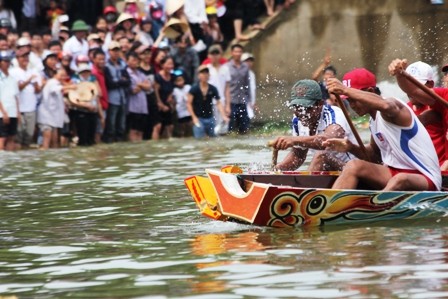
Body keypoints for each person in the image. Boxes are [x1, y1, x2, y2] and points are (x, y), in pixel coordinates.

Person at [324, 68, 441, 191]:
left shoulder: (392, 106)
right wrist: (351, 148)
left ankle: (374, 208)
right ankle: (330, 207)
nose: (352, 105)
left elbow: (385, 105)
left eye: (353, 99)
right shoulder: (373, 120)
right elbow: (374, 156)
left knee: (400, 179)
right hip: (393, 172)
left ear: (370, 91)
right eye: (348, 100)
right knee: (353, 165)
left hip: (425, 178)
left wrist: (346, 90)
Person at [272, 79, 356, 171]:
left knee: (322, 156)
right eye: (297, 108)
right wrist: (277, 170)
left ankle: (306, 184)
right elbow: (298, 155)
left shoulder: (335, 114)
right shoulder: (297, 120)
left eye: (307, 108)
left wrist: (294, 140)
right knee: (277, 170)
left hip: (350, 169)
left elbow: (327, 141)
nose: (302, 113)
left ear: (320, 104)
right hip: (327, 172)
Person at [389, 59, 448, 170]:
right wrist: (399, 74)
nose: (447, 77)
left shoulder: (438, 104)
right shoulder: (444, 97)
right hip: (432, 171)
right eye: (447, 74)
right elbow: (414, 91)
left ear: (430, 85)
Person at [402, 61, 445, 167]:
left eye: (416, 87)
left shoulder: (440, 105)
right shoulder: (406, 108)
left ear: (431, 85)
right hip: (418, 168)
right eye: (408, 87)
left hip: (440, 168)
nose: (411, 92)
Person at [10, 47, 42, 149]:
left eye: (27, 56)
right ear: (17, 58)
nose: (25, 59)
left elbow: (38, 90)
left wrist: (36, 86)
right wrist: (28, 81)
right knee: (18, 137)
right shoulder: (13, 72)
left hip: (31, 108)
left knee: (28, 136)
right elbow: (16, 89)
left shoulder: (33, 71)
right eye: (23, 57)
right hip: (19, 109)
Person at [187, 65, 228, 139]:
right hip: (198, 118)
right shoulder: (194, 89)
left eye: (206, 73)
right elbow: (188, 103)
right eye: (202, 73)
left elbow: (218, 102)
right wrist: (194, 117)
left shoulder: (213, 89)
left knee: (213, 139)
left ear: (209, 75)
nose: (205, 75)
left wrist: (224, 115)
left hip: (210, 118)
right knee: (199, 140)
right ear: (198, 75)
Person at [37, 67, 73, 150]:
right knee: (47, 140)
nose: (63, 77)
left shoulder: (57, 83)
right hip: (46, 115)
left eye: (64, 76)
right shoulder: (52, 82)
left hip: (53, 116)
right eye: (61, 75)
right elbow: (55, 89)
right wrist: (70, 87)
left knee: (55, 141)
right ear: (55, 75)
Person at [104, 41, 130, 143]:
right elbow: (110, 83)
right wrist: (121, 81)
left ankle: (119, 143)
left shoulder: (122, 64)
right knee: (111, 125)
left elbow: (128, 81)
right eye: (113, 51)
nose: (115, 53)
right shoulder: (106, 66)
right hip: (112, 99)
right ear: (109, 52)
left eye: (117, 50)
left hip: (122, 98)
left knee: (121, 125)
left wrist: (118, 82)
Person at [126, 51, 151, 142]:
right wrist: (142, 85)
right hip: (132, 107)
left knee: (140, 131)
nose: (135, 63)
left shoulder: (141, 73)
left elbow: (148, 87)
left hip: (143, 107)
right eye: (133, 60)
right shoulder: (127, 73)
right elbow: (133, 90)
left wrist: (139, 85)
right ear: (127, 61)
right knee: (133, 130)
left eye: (136, 61)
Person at [227, 43, 251, 134]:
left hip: (242, 100)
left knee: (244, 127)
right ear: (232, 53)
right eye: (236, 51)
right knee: (231, 128)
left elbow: (247, 84)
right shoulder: (227, 67)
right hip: (231, 101)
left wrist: (250, 100)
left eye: (240, 51)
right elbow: (225, 86)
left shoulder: (245, 67)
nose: (238, 53)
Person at [0, 51, 19, 151]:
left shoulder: (12, 78)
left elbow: (15, 96)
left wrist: (18, 113)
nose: (7, 63)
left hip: (12, 111)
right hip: (2, 113)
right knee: (2, 137)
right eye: (4, 61)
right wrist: (3, 113)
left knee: (12, 137)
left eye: (8, 61)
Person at [172, 71, 192, 137]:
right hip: (180, 112)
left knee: (190, 126)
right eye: (178, 81)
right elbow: (172, 100)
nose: (180, 82)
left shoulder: (188, 87)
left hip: (189, 111)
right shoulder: (174, 90)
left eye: (181, 80)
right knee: (182, 128)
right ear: (175, 82)